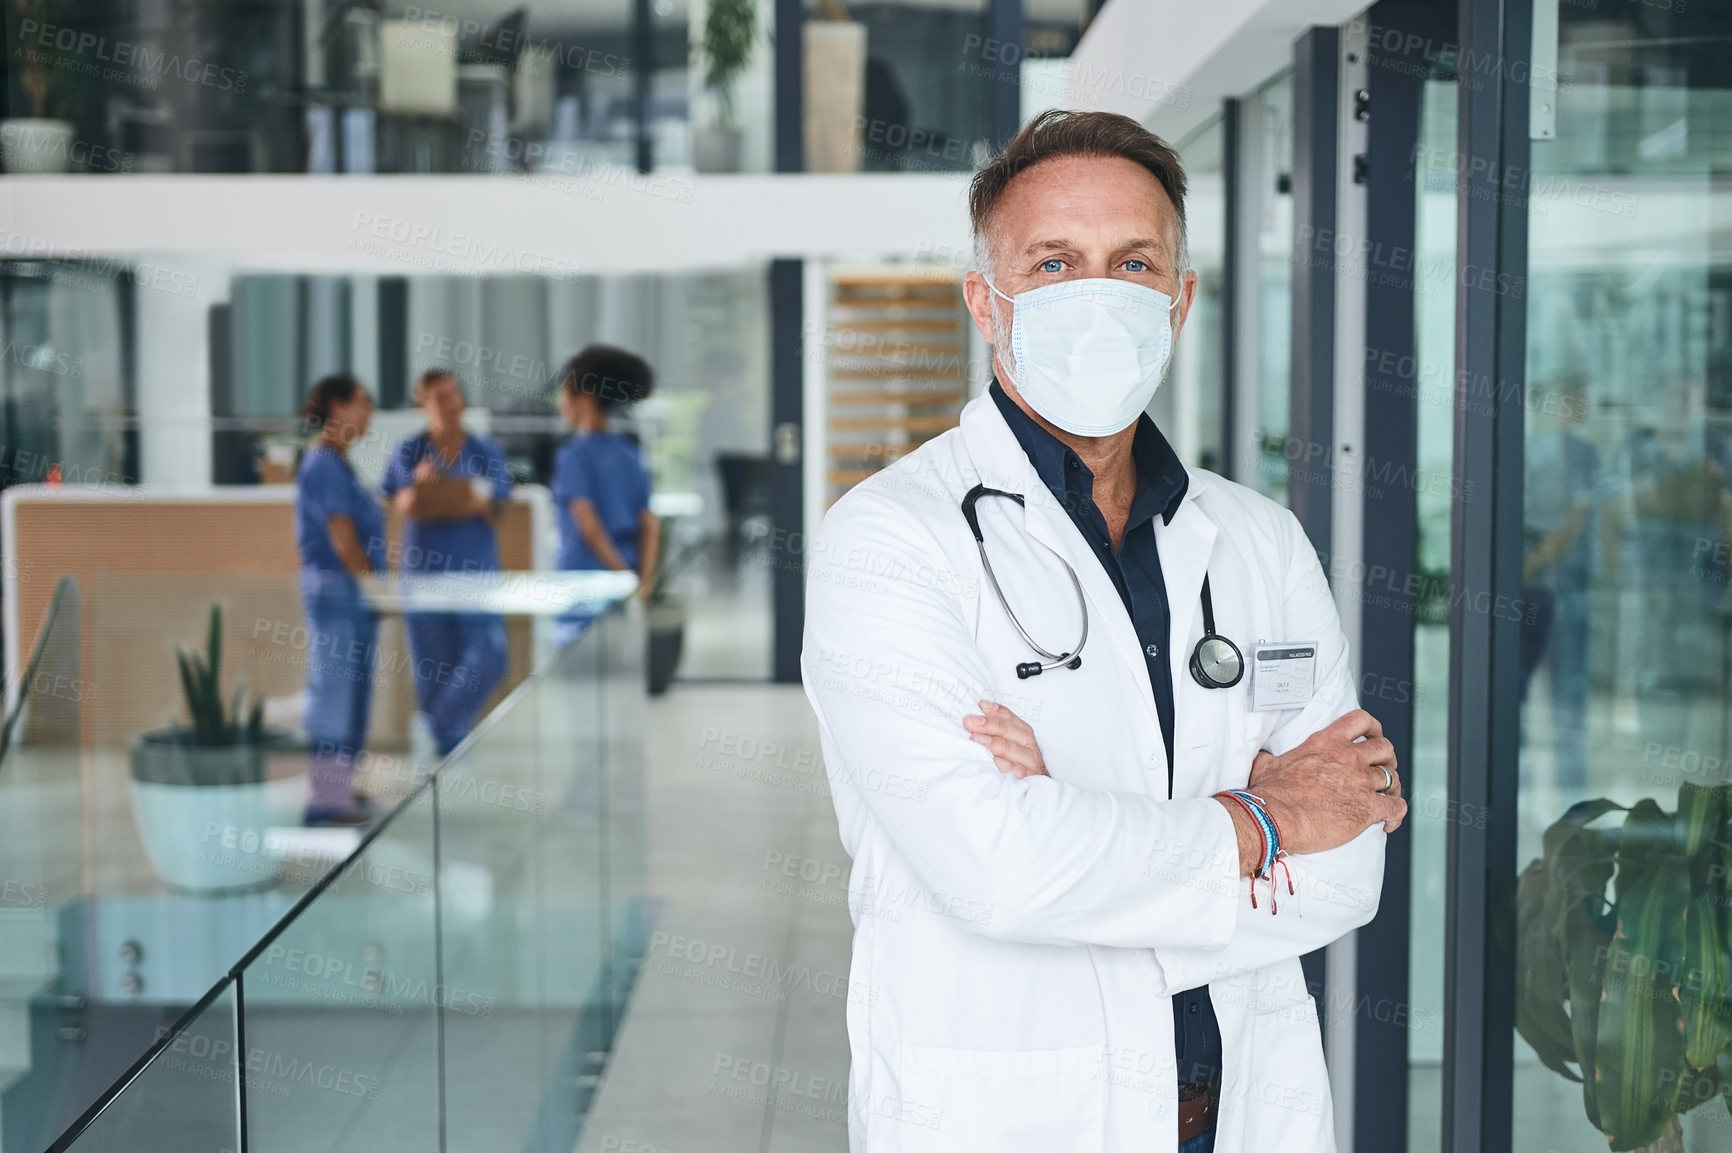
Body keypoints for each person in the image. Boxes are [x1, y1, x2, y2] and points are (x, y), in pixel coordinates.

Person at [801, 109, 1405, 1153]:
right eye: (1053, 264)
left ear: (1179, 300)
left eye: (1132, 262)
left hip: (1243, 1112)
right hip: (1010, 1115)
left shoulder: (1259, 541)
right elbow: (996, 869)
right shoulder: (890, 540)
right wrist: (1262, 824)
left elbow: (1349, 867)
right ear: (986, 306)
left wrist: (1075, 836)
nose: (1098, 295)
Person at [380, 369, 512, 759]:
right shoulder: (409, 451)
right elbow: (403, 501)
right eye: (439, 398)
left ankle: (438, 729)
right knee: (433, 666)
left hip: (476, 572)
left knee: (490, 654)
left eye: (454, 395)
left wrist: (440, 495)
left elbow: (495, 505)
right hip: (424, 574)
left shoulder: (484, 450)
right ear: (423, 406)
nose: (450, 404)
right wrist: (440, 493)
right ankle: (448, 752)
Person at [294, 374, 385, 826]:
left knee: (354, 697)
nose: (369, 412)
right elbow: (343, 539)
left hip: (353, 599)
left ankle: (341, 790)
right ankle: (325, 801)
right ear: (337, 407)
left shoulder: (342, 463)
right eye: (362, 403)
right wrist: (375, 587)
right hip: (337, 595)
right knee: (334, 696)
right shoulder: (324, 464)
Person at [550, 345, 660, 645]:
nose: (561, 404)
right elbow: (649, 523)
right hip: (626, 576)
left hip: (584, 584)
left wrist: (619, 575)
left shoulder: (573, 456)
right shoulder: (629, 453)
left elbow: (589, 526)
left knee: (579, 675)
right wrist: (641, 581)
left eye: (565, 394)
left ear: (583, 399)